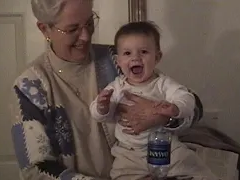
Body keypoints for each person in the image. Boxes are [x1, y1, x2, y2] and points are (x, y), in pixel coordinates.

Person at [9, 0, 206, 179]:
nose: (86, 36)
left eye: (89, 22)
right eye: (72, 29)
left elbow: (194, 106)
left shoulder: (118, 57)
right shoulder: (29, 86)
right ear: (44, 29)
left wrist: (164, 117)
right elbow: (36, 169)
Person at [89, 21, 218, 180]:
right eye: (127, 53)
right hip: (129, 153)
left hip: (165, 145)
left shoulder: (163, 84)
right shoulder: (116, 87)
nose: (135, 57)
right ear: (118, 60)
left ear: (157, 57)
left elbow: (187, 98)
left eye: (143, 51)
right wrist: (102, 107)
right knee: (120, 175)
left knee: (196, 169)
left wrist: (175, 109)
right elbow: (100, 116)